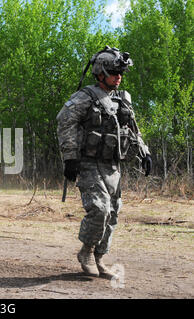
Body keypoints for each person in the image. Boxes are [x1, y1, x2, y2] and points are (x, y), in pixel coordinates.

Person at [56, 46, 152, 278]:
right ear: (100, 73)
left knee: (113, 213)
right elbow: (64, 122)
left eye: (121, 73)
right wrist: (70, 158)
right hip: (89, 164)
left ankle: (99, 258)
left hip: (113, 166)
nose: (118, 77)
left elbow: (132, 130)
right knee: (99, 210)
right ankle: (86, 252)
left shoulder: (122, 99)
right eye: (113, 72)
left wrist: (144, 152)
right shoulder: (85, 97)